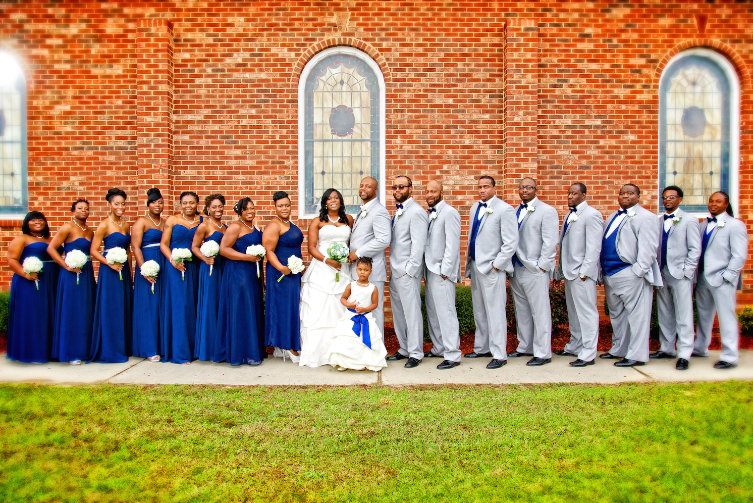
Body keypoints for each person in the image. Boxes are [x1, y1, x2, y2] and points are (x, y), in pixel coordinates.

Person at [600, 184, 662, 367]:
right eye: (622, 193)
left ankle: (637, 355)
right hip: (610, 273)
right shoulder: (612, 216)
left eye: (630, 193)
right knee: (617, 316)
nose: (625, 196)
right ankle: (619, 349)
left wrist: (638, 271)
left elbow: (649, 248)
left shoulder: (647, 217)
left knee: (638, 317)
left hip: (630, 273)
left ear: (638, 196)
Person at [464, 175, 518, 369]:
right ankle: (482, 347)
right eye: (480, 187)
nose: (482, 190)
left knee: (495, 312)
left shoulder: (505, 209)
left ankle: (499, 354)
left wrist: (497, 265)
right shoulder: (474, 208)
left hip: (492, 268)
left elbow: (511, 242)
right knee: (479, 310)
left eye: (486, 186)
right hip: (476, 266)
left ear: (495, 188)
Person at [299, 189, 354, 368]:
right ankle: (319, 354)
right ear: (324, 202)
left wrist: (346, 257)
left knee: (341, 305)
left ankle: (343, 352)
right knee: (320, 308)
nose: (333, 201)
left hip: (342, 268)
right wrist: (327, 260)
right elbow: (311, 248)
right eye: (329, 198)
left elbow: (351, 243)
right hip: (322, 269)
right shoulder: (317, 221)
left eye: (336, 198)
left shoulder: (349, 219)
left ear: (341, 201)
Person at [694, 191, 748, 369]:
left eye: (718, 201)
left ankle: (729, 356)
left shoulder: (735, 225)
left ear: (726, 204)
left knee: (726, 317)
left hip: (722, 278)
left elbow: (739, 255)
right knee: (703, 315)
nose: (713, 204)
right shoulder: (703, 225)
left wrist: (728, 276)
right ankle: (700, 348)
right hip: (702, 278)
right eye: (711, 201)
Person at [508, 178, 559, 366]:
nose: (524, 190)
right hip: (516, 268)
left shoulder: (547, 211)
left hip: (535, 269)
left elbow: (550, 241)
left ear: (536, 189)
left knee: (540, 311)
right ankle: (525, 346)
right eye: (522, 187)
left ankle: (543, 352)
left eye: (529, 187)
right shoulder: (515, 210)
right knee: (522, 311)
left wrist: (542, 266)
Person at [652, 185, 701, 371]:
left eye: (672, 197)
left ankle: (684, 354)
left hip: (680, 273)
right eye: (665, 197)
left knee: (683, 314)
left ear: (680, 199)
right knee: (664, 312)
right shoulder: (658, 221)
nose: (667, 200)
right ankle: (667, 348)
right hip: (661, 273)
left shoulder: (689, 220)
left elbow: (695, 248)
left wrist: (688, 271)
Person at [554, 183, 603, 367]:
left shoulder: (592, 215)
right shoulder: (570, 214)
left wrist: (584, 272)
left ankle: (588, 353)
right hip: (570, 272)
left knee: (587, 313)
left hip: (581, 274)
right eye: (569, 193)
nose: (570, 196)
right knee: (574, 313)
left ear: (583, 195)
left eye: (574, 193)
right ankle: (575, 345)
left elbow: (594, 247)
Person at [214, 197, 266, 366]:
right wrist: (247, 257)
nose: (250, 211)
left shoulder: (254, 228)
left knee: (252, 310)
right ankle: (240, 353)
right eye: (246, 209)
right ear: (240, 211)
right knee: (241, 310)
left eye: (252, 208)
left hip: (252, 274)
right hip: (238, 273)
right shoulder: (236, 227)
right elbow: (223, 249)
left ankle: (252, 350)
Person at [385, 175, 428, 369]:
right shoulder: (399, 211)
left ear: (411, 189)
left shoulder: (417, 211)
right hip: (395, 271)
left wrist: (410, 270)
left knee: (412, 313)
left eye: (401, 186)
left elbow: (419, 245)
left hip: (407, 272)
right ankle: (404, 348)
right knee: (399, 313)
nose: (397, 190)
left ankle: (416, 353)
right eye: (394, 187)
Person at [48, 199, 96, 365]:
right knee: (72, 310)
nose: (84, 210)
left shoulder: (90, 231)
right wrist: (66, 266)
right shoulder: (67, 227)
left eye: (86, 208)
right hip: (70, 274)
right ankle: (71, 352)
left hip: (86, 272)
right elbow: (51, 248)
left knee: (86, 309)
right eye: (80, 208)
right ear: (73, 211)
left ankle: (85, 350)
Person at [6, 212, 56, 364]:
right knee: (33, 315)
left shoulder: (51, 239)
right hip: (30, 281)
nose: (37, 222)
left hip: (51, 281)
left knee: (49, 314)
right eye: (33, 220)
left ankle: (49, 351)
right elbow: (12, 259)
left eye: (40, 219)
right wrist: (25, 274)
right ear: (27, 223)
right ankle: (33, 352)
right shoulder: (22, 239)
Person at [90, 188, 133, 363]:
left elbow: (128, 251)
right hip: (109, 271)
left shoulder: (126, 225)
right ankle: (110, 348)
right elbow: (94, 250)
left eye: (123, 204)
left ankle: (123, 346)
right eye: (117, 204)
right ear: (110, 205)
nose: (120, 207)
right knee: (111, 307)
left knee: (123, 306)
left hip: (124, 270)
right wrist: (109, 263)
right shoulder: (104, 225)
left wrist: (130, 273)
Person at [422, 181, 462, 370]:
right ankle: (439, 348)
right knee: (433, 312)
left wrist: (445, 270)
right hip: (429, 270)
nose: (430, 194)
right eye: (427, 191)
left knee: (446, 313)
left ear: (441, 192)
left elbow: (453, 245)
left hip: (441, 272)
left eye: (433, 191)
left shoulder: (450, 212)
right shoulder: (429, 214)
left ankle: (452, 354)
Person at [160, 191, 202, 364]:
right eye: (185, 203)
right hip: (176, 267)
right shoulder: (172, 220)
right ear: (180, 204)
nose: (188, 206)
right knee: (180, 306)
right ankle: (180, 352)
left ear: (197, 204)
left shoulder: (202, 221)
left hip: (195, 266)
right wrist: (173, 259)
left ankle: (196, 349)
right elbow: (163, 244)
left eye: (192, 202)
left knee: (194, 305)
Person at [263, 191, 305, 362]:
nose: (284, 208)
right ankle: (287, 346)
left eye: (287, 205)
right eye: (280, 206)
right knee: (283, 307)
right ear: (275, 207)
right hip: (281, 272)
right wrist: (281, 268)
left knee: (290, 306)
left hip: (292, 272)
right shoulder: (274, 225)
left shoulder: (288, 222)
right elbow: (268, 251)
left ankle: (283, 345)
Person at [347, 176, 391, 335]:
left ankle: (377, 347)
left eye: (368, 186)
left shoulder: (379, 211)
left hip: (373, 270)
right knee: (361, 309)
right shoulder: (364, 209)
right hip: (359, 270)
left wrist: (357, 253)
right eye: (361, 185)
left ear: (375, 190)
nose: (363, 189)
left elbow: (383, 240)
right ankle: (363, 346)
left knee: (374, 311)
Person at [327, 257, 387, 372]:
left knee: (362, 340)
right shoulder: (351, 285)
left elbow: (375, 304)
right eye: (360, 269)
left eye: (365, 270)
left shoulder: (373, 288)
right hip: (350, 317)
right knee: (347, 339)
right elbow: (343, 298)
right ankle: (344, 362)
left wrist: (365, 309)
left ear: (370, 271)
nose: (362, 272)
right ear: (356, 270)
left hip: (366, 317)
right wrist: (349, 305)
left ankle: (362, 362)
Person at [130, 188, 165, 362]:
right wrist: (144, 269)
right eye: (154, 202)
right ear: (148, 204)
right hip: (148, 265)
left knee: (161, 305)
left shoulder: (165, 222)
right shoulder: (141, 222)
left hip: (163, 265)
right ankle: (149, 348)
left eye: (160, 202)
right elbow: (135, 247)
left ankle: (162, 345)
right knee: (148, 306)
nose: (157, 205)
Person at [192, 193, 227, 362]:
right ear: (208, 209)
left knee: (221, 305)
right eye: (214, 207)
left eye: (220, 206)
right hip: (210, 269)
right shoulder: (204, 226)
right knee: (210, 305)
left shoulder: (225, 227)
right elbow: (194, 247)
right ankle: (209, 348)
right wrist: (205, 259)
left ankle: (222, 346)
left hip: (223, 268)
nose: (217, 209)